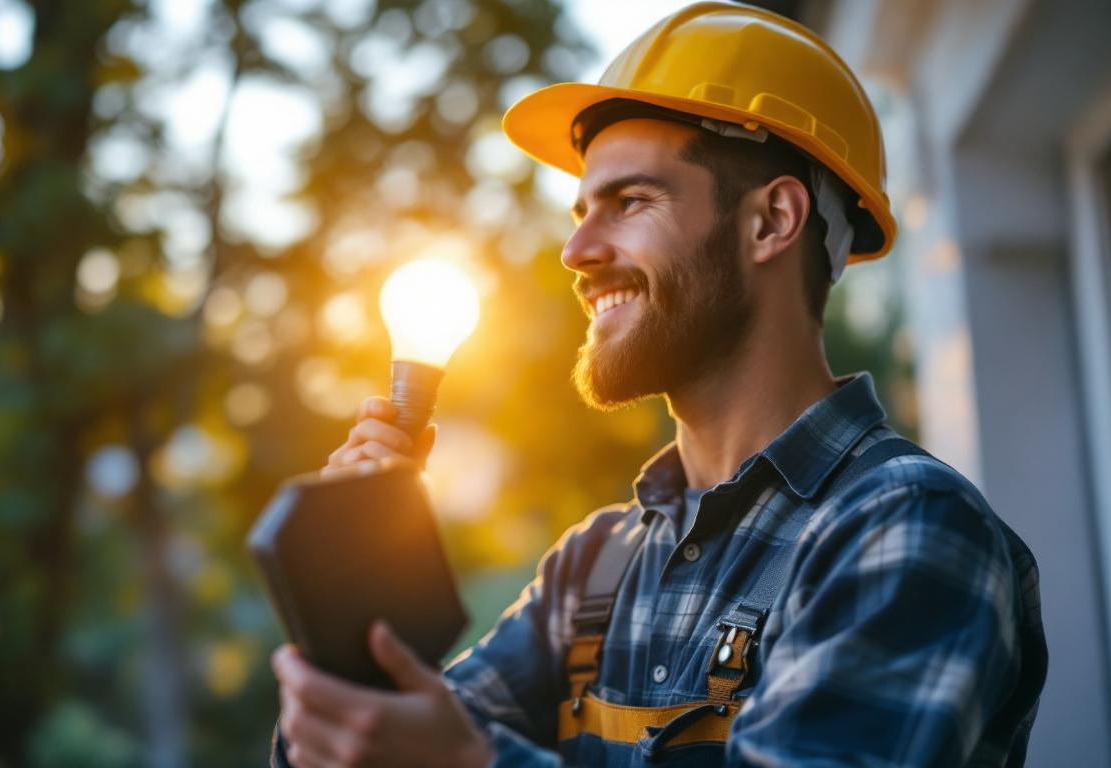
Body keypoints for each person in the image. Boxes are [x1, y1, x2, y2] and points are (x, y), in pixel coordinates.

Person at [270, 2, 1047, 766]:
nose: (575, 250)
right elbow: (383, 741)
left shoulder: (904, 528)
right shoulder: (592, 567)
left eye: (630, 201)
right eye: (579, 210)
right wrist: (354, 610)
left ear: (771, 221)